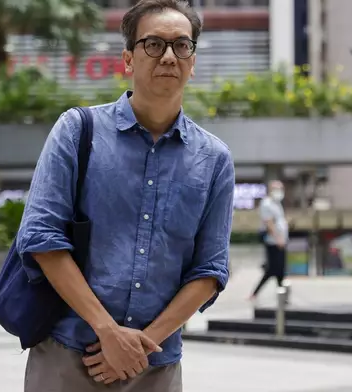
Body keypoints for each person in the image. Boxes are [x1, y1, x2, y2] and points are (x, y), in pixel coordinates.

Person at [17, 1, 235, 391]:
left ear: (193, 61)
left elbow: (210, 270)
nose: (169, 56)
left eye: (182, 46)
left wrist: (141, 347)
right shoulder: (77, 131)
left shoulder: (214, 159)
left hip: (156, 368)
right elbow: (41, 238)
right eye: (153, 44)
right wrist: (109, 332)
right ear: (128, 59)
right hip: (68, 356)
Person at [250, 181, 288, 301]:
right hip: (273, 242)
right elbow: (269, 223)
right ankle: (255, 293)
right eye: (277, 189)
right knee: (273, 268)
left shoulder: (277, 204)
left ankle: (282, 294)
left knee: (280, 269)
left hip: (281, 240)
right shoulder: (267, 204)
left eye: (281, 189)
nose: (279, 192)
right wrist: (278, 239)